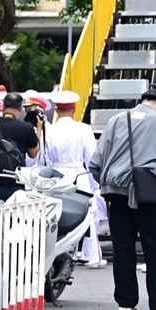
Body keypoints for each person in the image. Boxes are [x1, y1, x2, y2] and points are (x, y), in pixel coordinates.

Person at [89, 87, 156, 310]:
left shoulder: (116, 120)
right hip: (150, 194)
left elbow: (95, 161)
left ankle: (125, 302)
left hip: (116, 194)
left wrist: (109, 183)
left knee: (122, 247)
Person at [45, 89, 105, 267]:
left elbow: (45, 158)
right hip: (79, 175)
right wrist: (96, 184)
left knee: (55, 216)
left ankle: (55, 254)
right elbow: (92, 158)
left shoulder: (49, 130)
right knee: (87, 216)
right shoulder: (84, 129)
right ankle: (90, 255)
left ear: (56, 109)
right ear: (74, 108)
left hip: (55, 175)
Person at [0, 92, 40, 207]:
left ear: (3, 108)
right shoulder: (26, 127)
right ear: (21, 108)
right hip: (14, 184)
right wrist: (39, 130)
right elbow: (33, 154)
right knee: (12, 222)